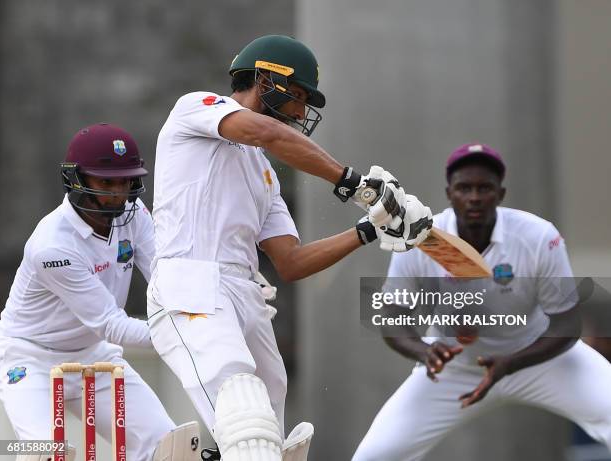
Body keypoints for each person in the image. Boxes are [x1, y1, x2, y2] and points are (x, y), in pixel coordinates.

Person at [147, 34, 433, 461]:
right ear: (265, 78)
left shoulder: (264, 174)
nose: (300, 112)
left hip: (245, 295)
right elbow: (264, 132)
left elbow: (292, 262)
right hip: (191, 285)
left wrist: (369, 229)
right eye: (297, 95)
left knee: (271, 429)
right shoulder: (196, 108)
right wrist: (355, 184)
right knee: (245, 415)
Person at [352, 143, 611, 460]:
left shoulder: (538, 236)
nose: (474, 197)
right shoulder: (421, 237)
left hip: (539, 357)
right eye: (464, 188)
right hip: (455, 368)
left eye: (484, 188)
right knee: (374, 456)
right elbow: (393, 316)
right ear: (449, 193)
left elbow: (567, 325)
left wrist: (511, 363)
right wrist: (425, 350)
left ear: (501, 194)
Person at [0, 123, 184, 461]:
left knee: (167, 447)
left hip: (93, 353)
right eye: (106, 183)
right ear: (77, 180)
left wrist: (213, 300)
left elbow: (166, 275)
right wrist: (184, 332)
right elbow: (111, 325)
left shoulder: (133, 212)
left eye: (126, 182)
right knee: (44, 453)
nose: (118, 193)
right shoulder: (52, 246)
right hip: (30, 357)